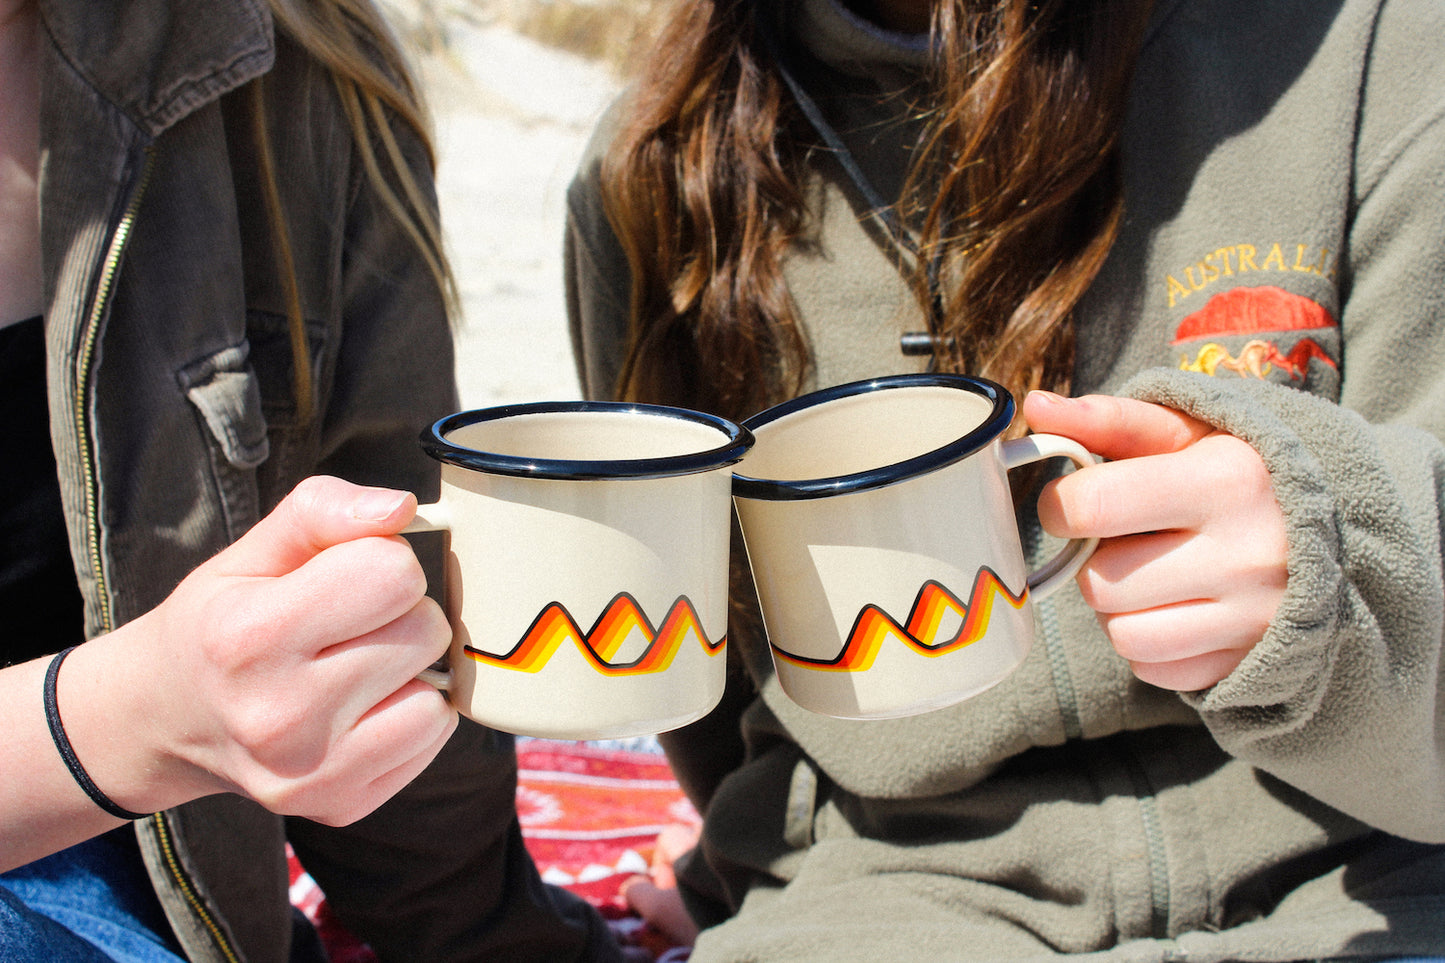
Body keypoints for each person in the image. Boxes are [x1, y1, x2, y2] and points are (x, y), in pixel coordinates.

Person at [564, 0, 1445, 959]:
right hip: (887, 905)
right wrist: (748, 867)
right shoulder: (654, 168)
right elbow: (716, 670)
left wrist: (1345, 561)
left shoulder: (1384, 49)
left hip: (1384, 877)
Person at [1, 0, 628, 960]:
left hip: (185, 913)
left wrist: (504, 941)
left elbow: (408, 648)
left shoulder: (288, 69)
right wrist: (133, 719)